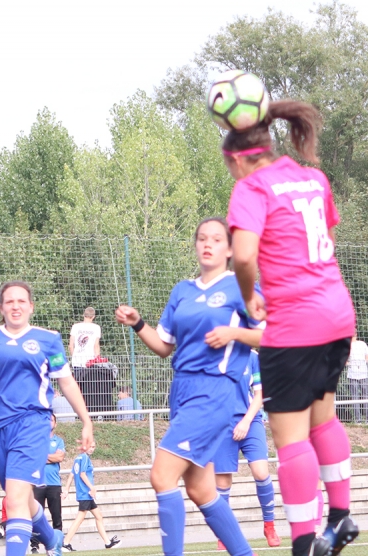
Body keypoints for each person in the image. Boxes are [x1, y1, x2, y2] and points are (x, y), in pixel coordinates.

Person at [220, 96, 359, 555]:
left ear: (236, 159)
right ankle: (340, 516)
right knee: (323, 419)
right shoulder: (313, 178)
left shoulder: (251, 187)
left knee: (289, 439)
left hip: (295, 323)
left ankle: (303, 543)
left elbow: (243, 256)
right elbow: (328, 241)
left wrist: (248, 296)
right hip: (336, 314)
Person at [115, 218, 260, 556]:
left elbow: (275, 334)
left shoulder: (241, 287)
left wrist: (234, 333)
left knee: (162, 476)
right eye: (202, 238)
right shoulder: (183, 290)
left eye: (216, 239)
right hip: (182, 391)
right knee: (200, 490)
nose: (207, 244)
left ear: (230, 249)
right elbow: (164, 347)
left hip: (214, 392)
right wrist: (138, 323)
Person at [0, 280, 94, 556]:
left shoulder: (48, 340)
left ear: (31, 306)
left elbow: (66, 382)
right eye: (10, 301)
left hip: (33, 424)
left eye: (21, 301)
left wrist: (86, 421)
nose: (16, 306)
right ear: (1, 307)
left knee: (16, 500)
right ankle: (52, 539)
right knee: (19, 497)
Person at [212, 350, 280, 549]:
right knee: (222, 482)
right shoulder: (210, 354)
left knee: (261, 473)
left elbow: (259, 395)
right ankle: (224, 534)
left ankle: (269, 526)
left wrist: (246, 421)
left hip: (250, 420)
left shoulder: (252, 357)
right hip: (221, 425)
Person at [60, 444, 120, 550]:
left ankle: (107, 543)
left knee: (99, 516)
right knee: (80, 518)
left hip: (86, 494)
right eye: (90, 446)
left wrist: (66, 490)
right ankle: (65, 543)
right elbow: (82, 474)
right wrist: (92, 488)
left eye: (93, 447)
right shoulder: (84, 457)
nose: (92, 449)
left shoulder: (78, 458)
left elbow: (72, 474)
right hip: (85, 493)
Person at [29, 413, 65, 553]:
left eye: (51, 420)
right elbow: (35, 458)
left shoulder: (59, 441)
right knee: (36, 515)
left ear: (55, 424)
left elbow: (60, 458)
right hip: (38, 483)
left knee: (57, 515)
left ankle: (58, 544)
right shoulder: (37, 440)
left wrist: (44, 457)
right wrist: (52, 457)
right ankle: (34, 545)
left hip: (54, 484)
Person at [346, 334, 368, 425]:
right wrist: (351, 364)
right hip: (352, 374)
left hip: (363, 374)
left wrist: (362, 363)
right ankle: (358, 420)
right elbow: (344, 360)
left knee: (365, 396)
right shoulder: (347, 345)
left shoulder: (362, 344)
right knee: (355, 396)